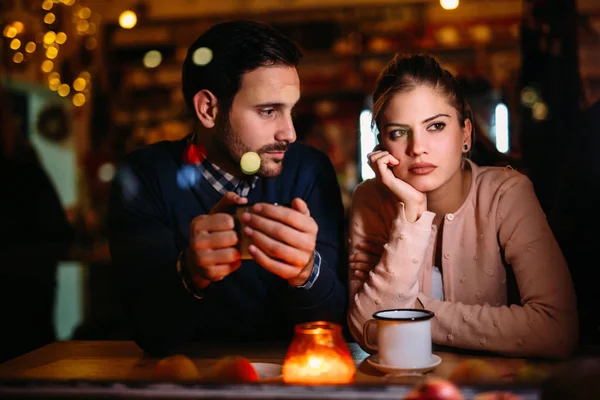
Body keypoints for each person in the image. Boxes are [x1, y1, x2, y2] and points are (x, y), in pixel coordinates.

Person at [108, 20, 347, 357]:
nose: (289, 133)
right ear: (209, 109)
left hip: (291, 378)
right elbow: (152, 336)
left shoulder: (309, 170)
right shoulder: (145, 176)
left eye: (290, 110)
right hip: (184, 381)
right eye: (268, 111)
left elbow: (337, 326)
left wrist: (307, 273)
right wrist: (190, 273)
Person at [347, 53, 578, 359]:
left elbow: (556, 329)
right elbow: (365, 327)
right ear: (381, 145)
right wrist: (412, 213)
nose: (417, 148)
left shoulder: (506, 193)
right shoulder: (371, 200)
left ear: (465, 134)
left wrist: (414, 312)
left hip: (496, 388)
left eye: (436, 126)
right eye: (399, 133)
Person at [0, 87, 74, 362]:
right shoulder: (23, 168)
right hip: (26, 310)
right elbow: (60, 234)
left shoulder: (23, 167)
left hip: (25, 305)